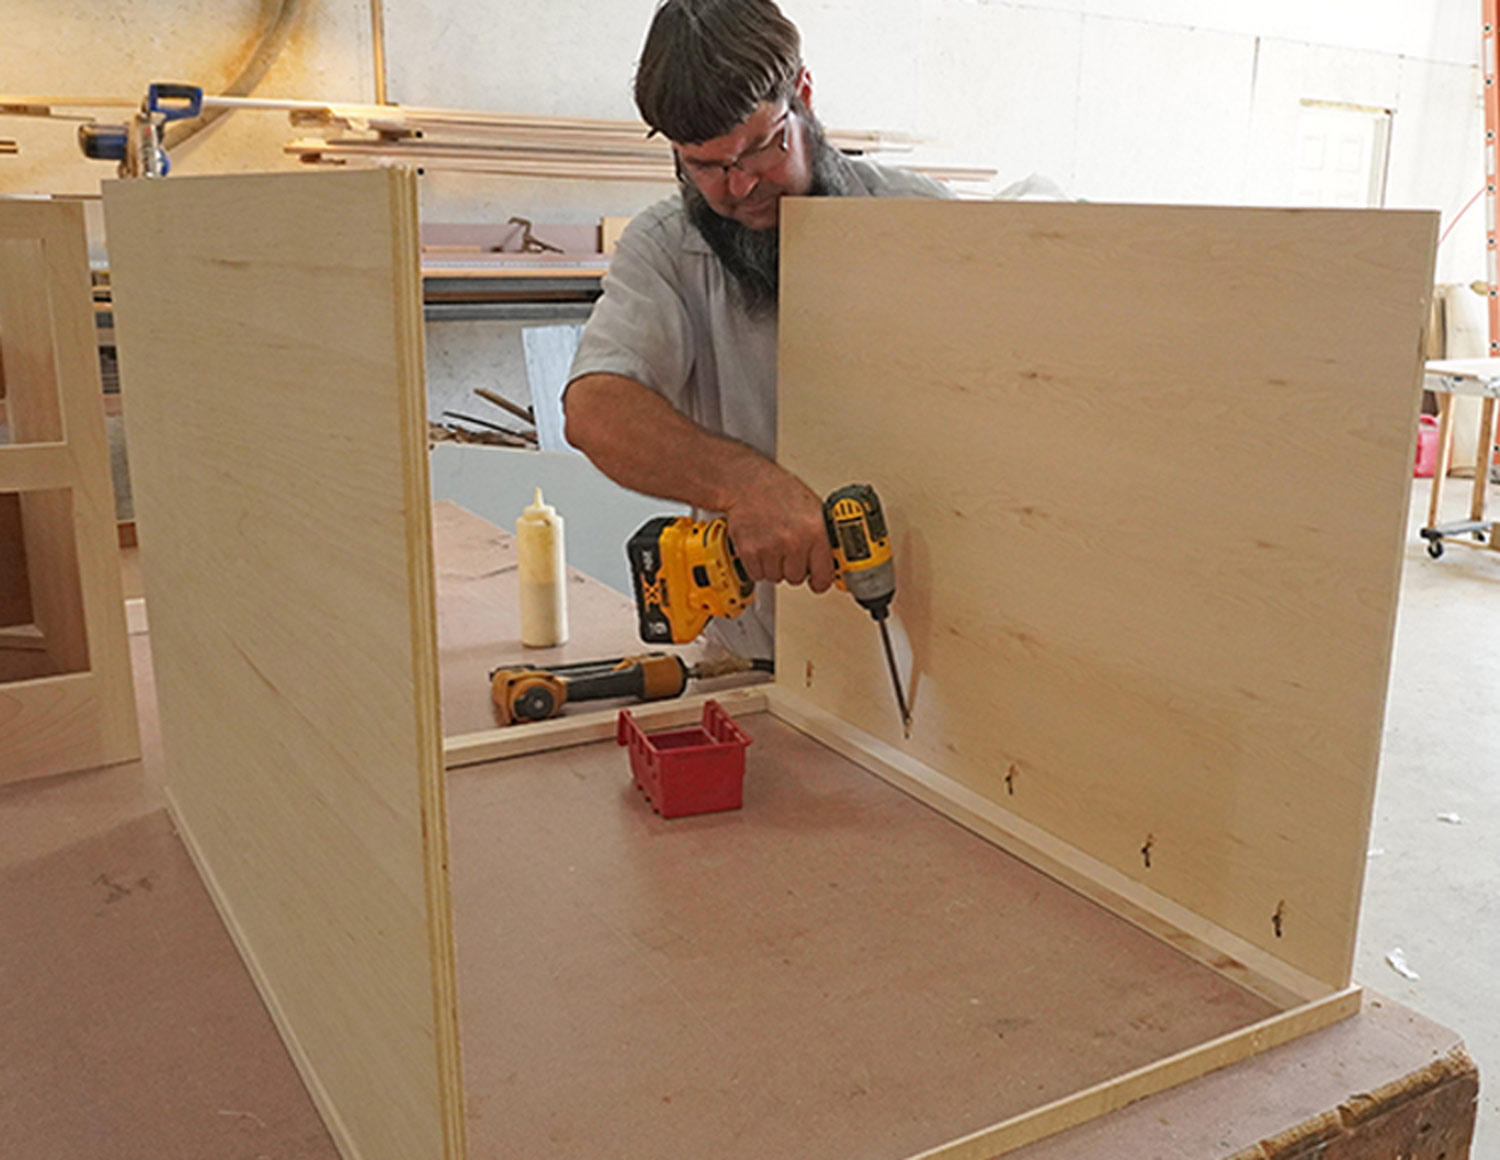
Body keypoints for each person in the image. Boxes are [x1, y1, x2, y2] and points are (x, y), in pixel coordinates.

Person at [563, 0, 948, 659]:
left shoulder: (924, 225)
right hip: (755, 654)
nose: (738, 187)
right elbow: (596, 409)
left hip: (933, 650)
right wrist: (747, 486)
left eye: (760, 149)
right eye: (705, 165)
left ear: (801, 94)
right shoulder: (666, 246)